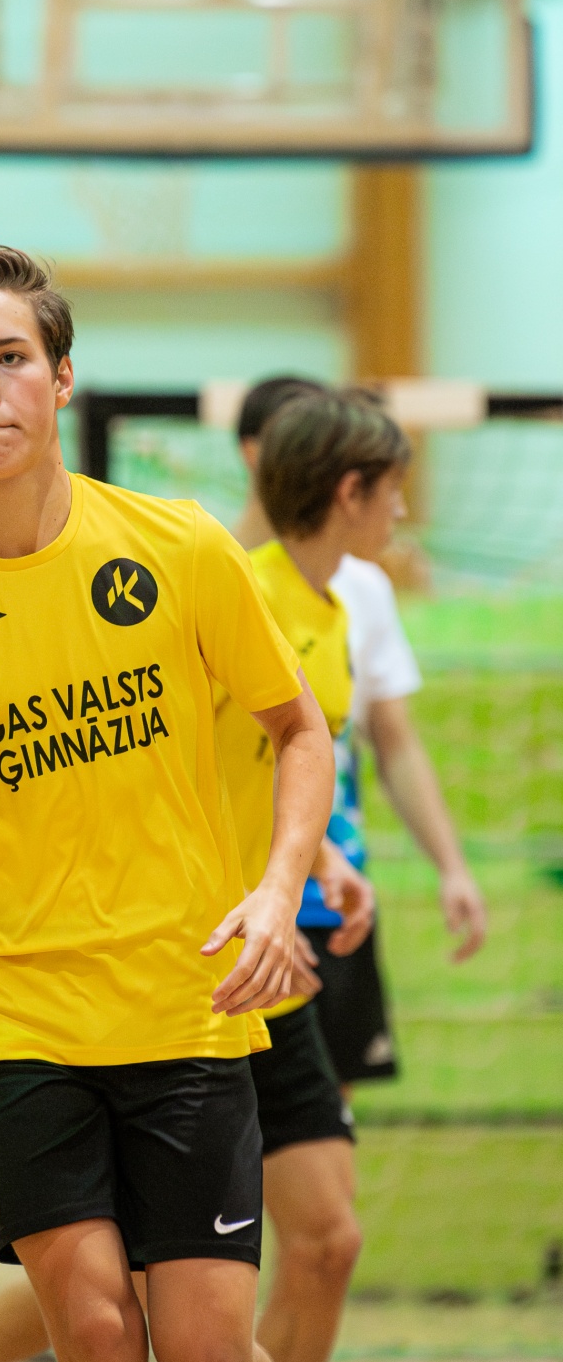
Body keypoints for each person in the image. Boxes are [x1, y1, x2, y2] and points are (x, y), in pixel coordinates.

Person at [0, 247, 336, 1362]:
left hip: (184, 995)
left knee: (206, 1352)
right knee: (95, 1332)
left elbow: (301, 731)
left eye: (9, 358)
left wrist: (277, 889)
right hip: (12, 1008)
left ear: (61, 379)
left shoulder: (180, 548)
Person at [235, 375, 487, 1085]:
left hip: (323, 885)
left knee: (325, 1140)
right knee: (246, 1139)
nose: (402, 509)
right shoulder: (237, 590)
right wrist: (263, 897)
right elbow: (207, 773)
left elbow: (389, 741)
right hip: (239, 910)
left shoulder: (347, 603)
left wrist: (443, 866)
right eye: (393, 489)